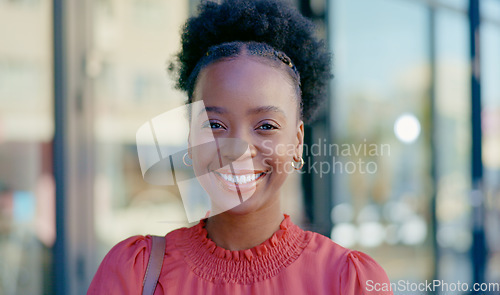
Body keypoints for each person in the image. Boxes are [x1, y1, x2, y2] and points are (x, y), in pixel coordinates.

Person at [88, 0, 393, 294]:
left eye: (266, 126)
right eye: (215, 125)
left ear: (298, 142)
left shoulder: (347, 282)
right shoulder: (137, 272)